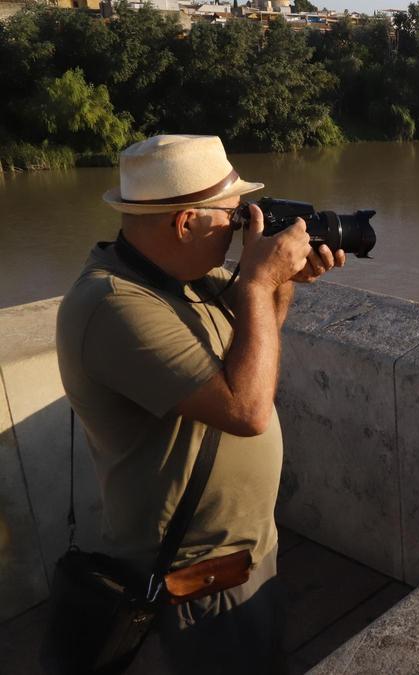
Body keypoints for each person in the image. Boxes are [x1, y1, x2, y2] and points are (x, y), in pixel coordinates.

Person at [55, 134, 346, 674]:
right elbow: (247, 411)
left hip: (246, 548)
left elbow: (257, 341)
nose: (242, 229)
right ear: (186, 223)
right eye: (233, 217)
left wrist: (282, 282)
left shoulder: (186, 281)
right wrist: (258, 281)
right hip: (198, 577)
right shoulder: (113, 306)